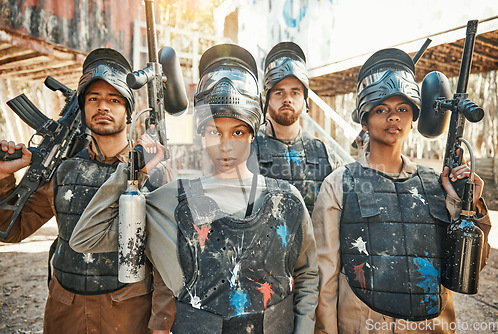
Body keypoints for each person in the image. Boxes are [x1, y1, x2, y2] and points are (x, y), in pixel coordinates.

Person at [69, 43, 319, 334]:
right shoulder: (171, 200)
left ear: (253, 134)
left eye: (237, 132)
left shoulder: (286, 200)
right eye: (214, 131)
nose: (225, 144)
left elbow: (306, 275)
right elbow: (86, 238)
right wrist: (131, 169)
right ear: (202, 134)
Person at [312, 48, 492, 333]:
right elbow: (325, 278)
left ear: (414, 118)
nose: (393, 117)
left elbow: (471, 267)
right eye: (381, 109)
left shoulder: (438, 184)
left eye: (402, 109)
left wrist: (468, 206)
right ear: (365, 119)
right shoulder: (339, 184)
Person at [0, 48, 175, 333]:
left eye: (114, 100)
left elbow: (168, 260)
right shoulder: (63, 171)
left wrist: (161, 323)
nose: (102, 106)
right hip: (65, 313)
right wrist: (4, 178)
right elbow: (11, 228)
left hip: (127, 315)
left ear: (128, 112)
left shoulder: (153, 172)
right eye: (93, 99)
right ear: (83, 109)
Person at [251, 41, 341, 216]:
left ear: (305, 100)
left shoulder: (326, 156)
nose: (287, 99)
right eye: (279, 92)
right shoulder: (247, 150)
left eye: (295, 92)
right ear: (266, 99)